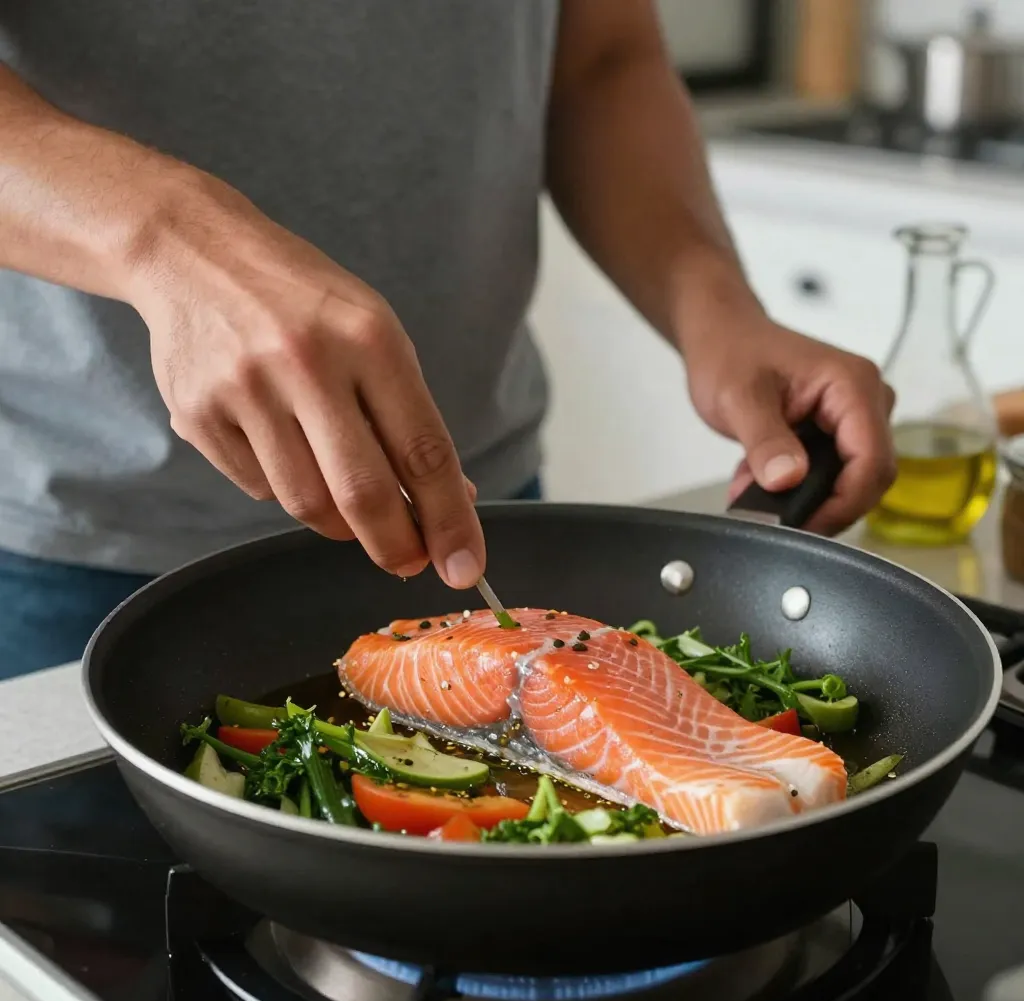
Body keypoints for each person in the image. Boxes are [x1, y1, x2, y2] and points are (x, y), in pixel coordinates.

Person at [0, 2, 896, 681]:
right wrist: (168, 240)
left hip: (482, 513)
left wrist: (719, 311)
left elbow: (600, 59)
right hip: (74, 551)